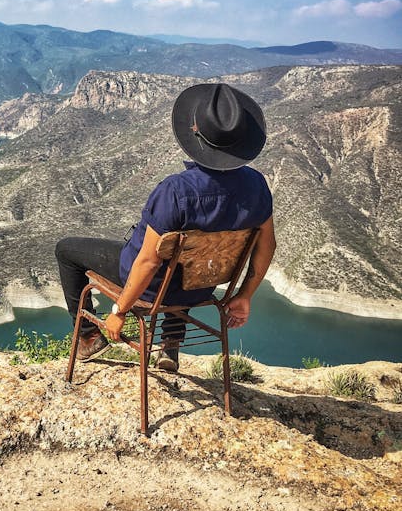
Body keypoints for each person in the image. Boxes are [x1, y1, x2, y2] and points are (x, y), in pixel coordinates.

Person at [55, 81, 276, 371]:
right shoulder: (258, 186)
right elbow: (267, 245)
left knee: (66, 249)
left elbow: (147, 263)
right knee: (186, 260)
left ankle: (88, 336)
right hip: (202, 287)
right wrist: (244, 295)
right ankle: (170, 343)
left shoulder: (177, 190)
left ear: (196, 136)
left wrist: (119, 311)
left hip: (152, 290)